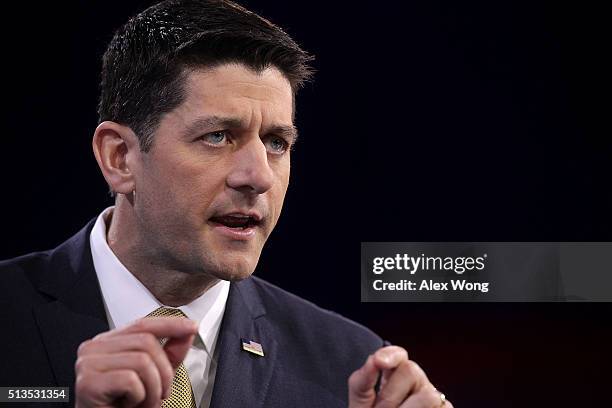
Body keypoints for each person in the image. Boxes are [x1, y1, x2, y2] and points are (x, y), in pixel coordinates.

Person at [0, 1, 452, 407]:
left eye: (276, 142)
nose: (257, 177)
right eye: (217, 137)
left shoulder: (348, 367)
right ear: (120, 158)